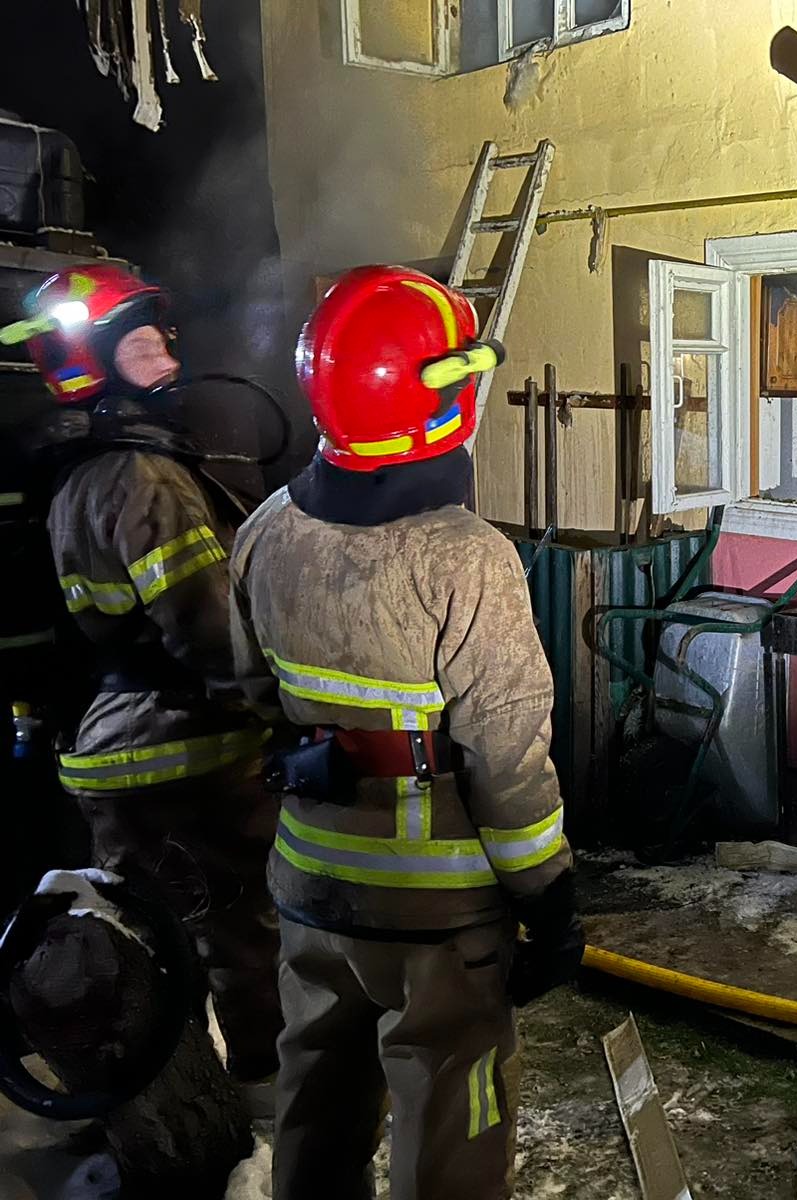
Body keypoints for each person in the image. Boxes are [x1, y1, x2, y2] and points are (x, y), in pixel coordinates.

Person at [229, 265, 583, 1200]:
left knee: (317, 1094)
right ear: (433, 402)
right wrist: (548, 897)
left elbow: (252, 694)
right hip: (436, 911)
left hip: (310, 881)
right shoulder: (467, 557)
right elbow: (506, 754)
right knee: (452, 1113)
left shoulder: (265, 529)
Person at [1, 264, 283, 1086]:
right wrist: (286, 714)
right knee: (242, 934)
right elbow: (209, 629)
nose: (166, 352)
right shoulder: (141, 476)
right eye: (140, 340)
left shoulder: (73, 473)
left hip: (108, 750)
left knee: (151, 946)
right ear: (94, 362)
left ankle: (171, 1103)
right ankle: (266, 1097)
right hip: (188, 750)